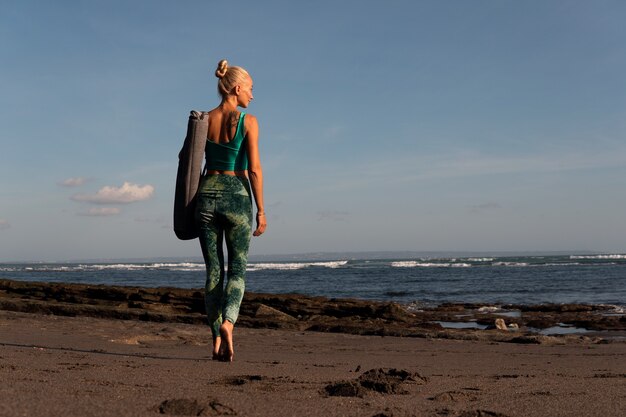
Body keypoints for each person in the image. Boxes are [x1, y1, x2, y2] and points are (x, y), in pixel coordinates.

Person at [195, 59, 266, 362]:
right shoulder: (248, 121)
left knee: (213, 271)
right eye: (250, 89)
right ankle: (228, 324)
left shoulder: (202, 119)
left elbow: (188, 161)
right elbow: (254, 171)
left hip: (207, 195)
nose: (252, 95)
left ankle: (214, 339)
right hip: (236, 196)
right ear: (237, 88)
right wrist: (261, 211)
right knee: (237, 269)